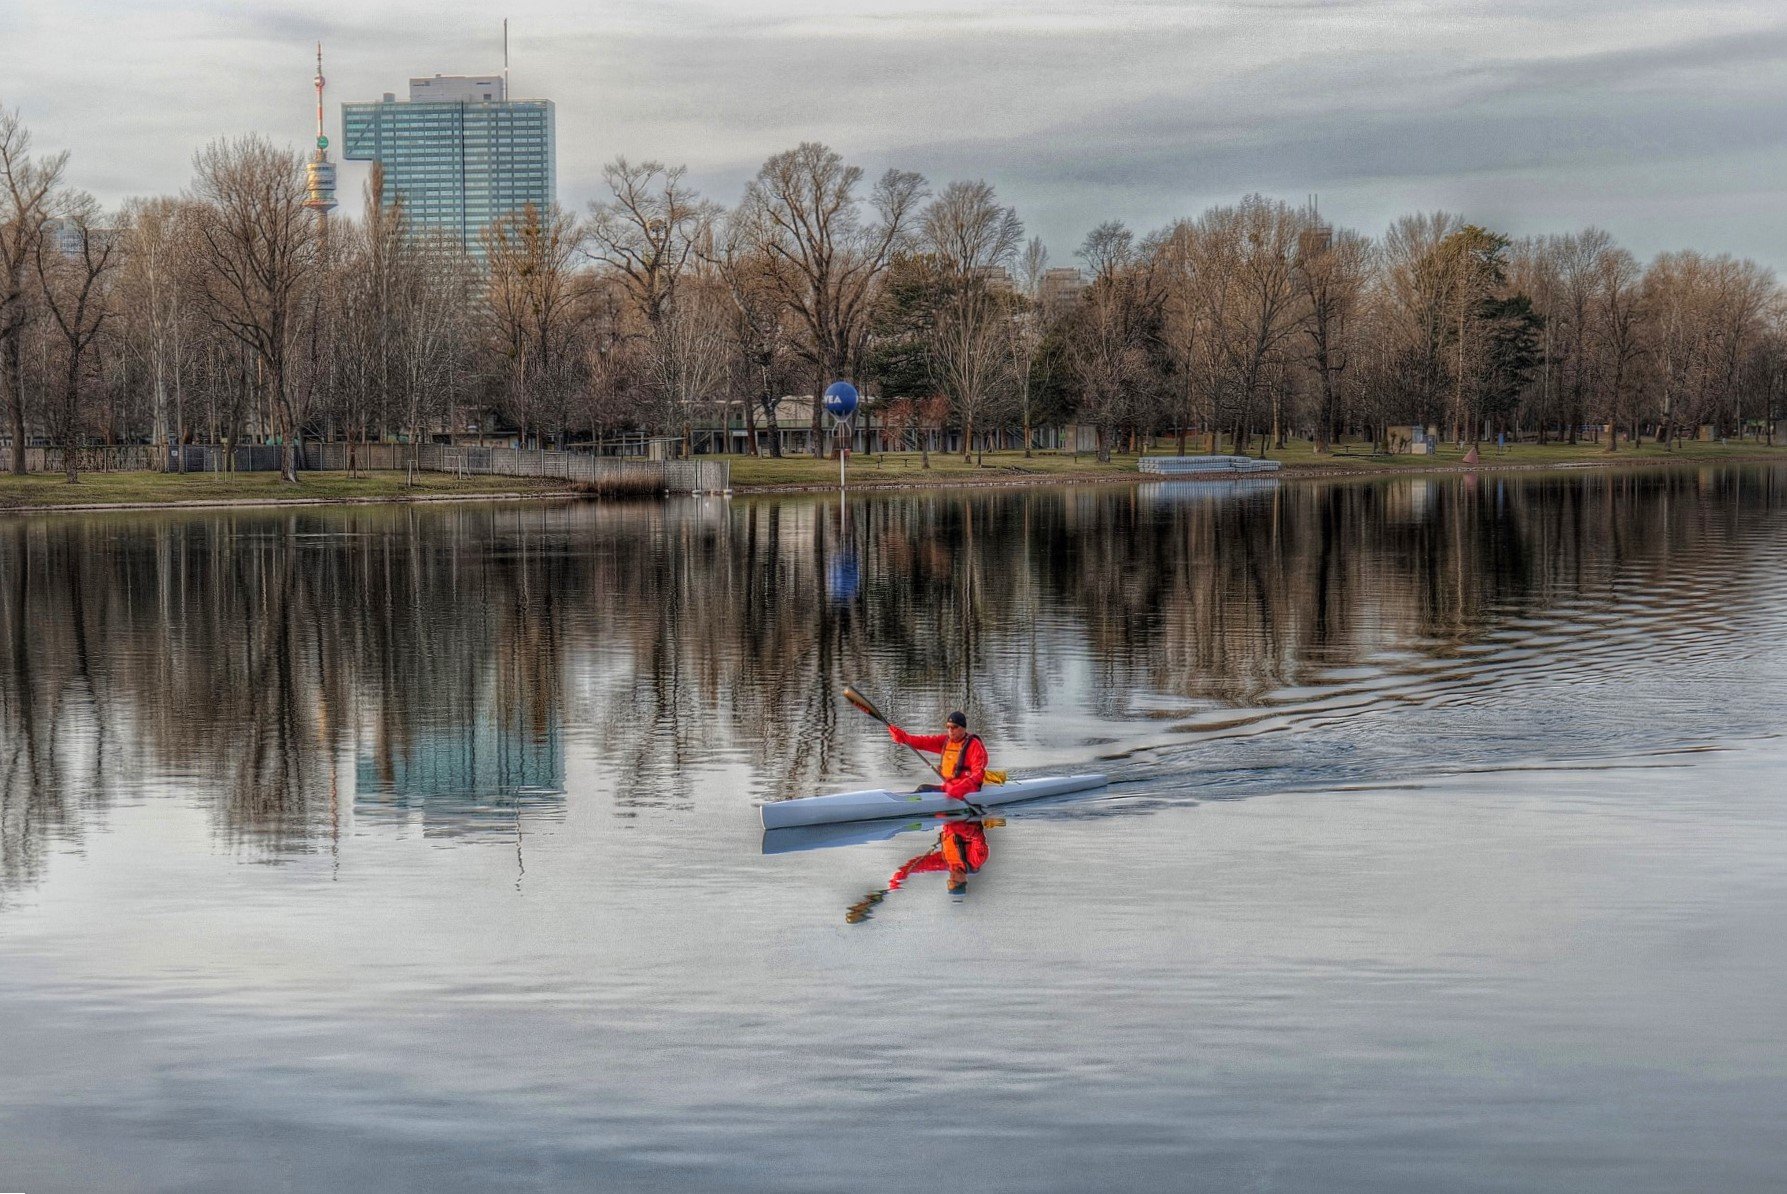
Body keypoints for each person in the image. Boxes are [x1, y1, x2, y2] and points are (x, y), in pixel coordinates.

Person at [887, 710, 987, 803]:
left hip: (967, 790)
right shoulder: (945, 741)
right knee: (923, 788)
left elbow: (979, 774)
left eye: (954, 727)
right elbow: (922, 742)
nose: (950, 730)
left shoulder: (974, 745)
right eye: (948, 727)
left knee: (923, 790)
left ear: (963, 728)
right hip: (949, 788)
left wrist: (961, 788)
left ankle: (906, 805)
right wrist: (904, 737)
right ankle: (904, 802)